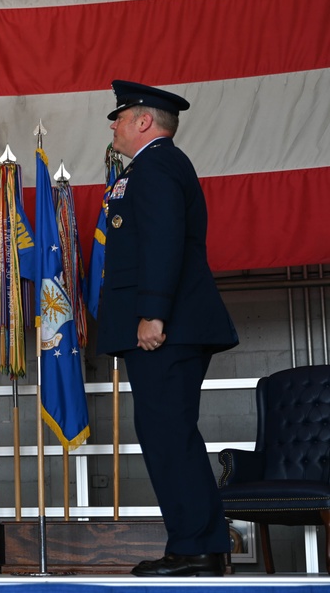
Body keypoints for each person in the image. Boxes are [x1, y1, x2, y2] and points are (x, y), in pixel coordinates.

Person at [97, 80, 238, 577]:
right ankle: (194, 543)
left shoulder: (156, 166)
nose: (112, 124)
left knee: (167, 432)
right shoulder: (153, 166)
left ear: (143, 122)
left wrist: (153, 313)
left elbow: (162, 243)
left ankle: (199, 546)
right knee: (165, 432)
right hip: (170, 325)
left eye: (120, 116)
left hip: (167, 327)